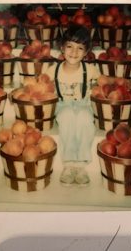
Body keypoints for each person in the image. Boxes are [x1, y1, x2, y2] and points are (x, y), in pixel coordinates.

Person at [45, 25, 100, 186]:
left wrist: (121, 82)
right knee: (67, 117)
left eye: (80, 48)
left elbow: (103, 81)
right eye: (69, 46)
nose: (74, 52)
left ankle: (81, 166)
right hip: (63, 105)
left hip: (83, 105)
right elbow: (39, 83)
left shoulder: (89, 69)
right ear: (62, 48)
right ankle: (69, 164)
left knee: (84, 119)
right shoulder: (53, 69)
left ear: (86, 51)